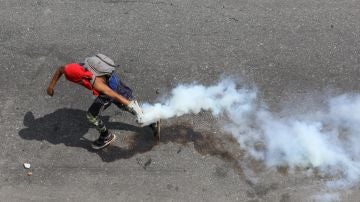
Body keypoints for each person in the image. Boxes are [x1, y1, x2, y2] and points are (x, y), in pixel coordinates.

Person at [47, 53, 157, 149]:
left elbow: (111, 93)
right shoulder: (71, 69)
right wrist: (51, 86)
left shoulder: (94, 82)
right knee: (124, 106)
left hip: (110, 87)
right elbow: (60, 69)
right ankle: (151, 119)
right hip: (110, 79)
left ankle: (106, 136)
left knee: (92, 116)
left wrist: (129, 103)